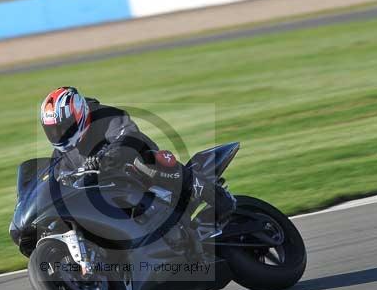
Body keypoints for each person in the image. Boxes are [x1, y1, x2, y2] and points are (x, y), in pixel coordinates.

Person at [39, 86, 236, 224]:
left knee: (145, 161)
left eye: (63, 127)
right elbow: (55, 180)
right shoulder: (61, 153)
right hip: (106, 196)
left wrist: (105, 157)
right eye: (53, 130)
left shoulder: (107, 117)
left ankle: (206, 190)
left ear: (80, 114)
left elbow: (129, 137)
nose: (59, 134)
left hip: (138, 173)